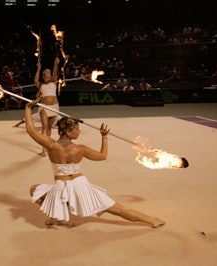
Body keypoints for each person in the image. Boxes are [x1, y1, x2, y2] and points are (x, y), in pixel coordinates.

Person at [24, 98, 165, 228]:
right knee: (117, 209)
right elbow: (103, 156)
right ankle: (152, 220)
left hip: (62, 187)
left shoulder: (51, 145)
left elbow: (30, 130)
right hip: (80, 186)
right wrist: (104, 137)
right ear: (68, 132)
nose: (79, 132)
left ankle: (55, 215)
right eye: (77, 129)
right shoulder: (80, 149)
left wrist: (28, 108)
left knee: (34, 190)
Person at [34, 56, 60, 157]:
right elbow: (35, 79)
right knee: (44, 127)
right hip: (44, 107)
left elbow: (55, 72)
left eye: (50, 72)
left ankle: (47, 144)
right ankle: (43, 149)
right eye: (48, 72)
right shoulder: (40, 85)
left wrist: (56, 63)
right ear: (44, 75)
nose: (50, 73)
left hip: (55, 106)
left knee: (49, 126)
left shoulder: (54, 81)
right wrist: (39, 68)